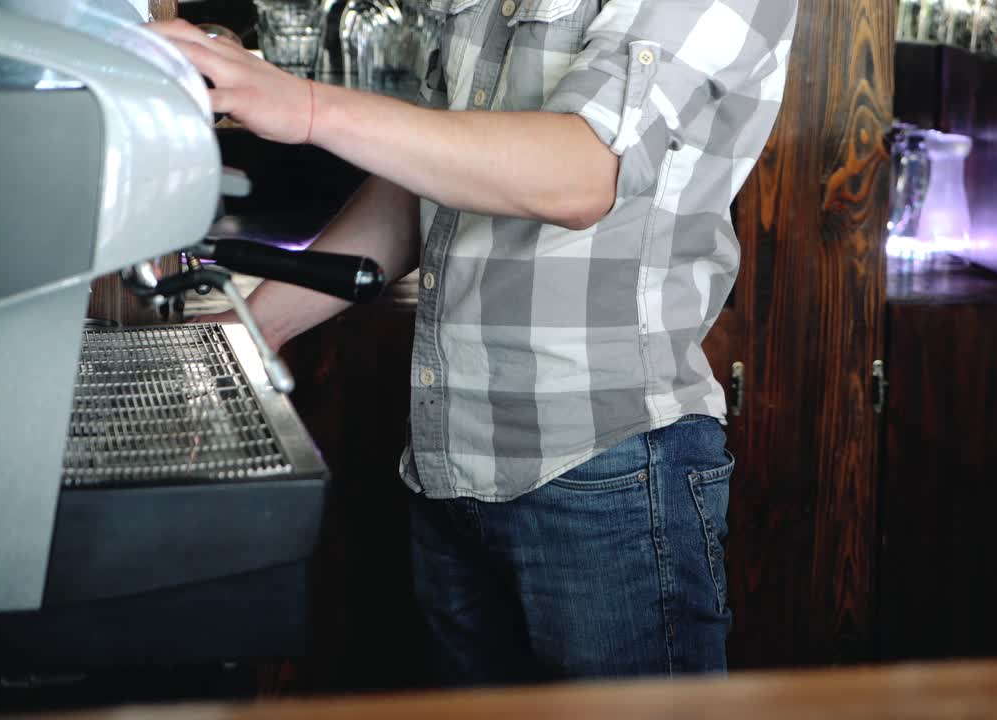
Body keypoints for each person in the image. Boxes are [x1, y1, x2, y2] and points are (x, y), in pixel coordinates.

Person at [152, 0, 796, 685]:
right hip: (450, 463)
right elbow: (423, 187)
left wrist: (308, 107)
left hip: (611, 474)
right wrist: (257, 325)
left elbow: (581, 171)